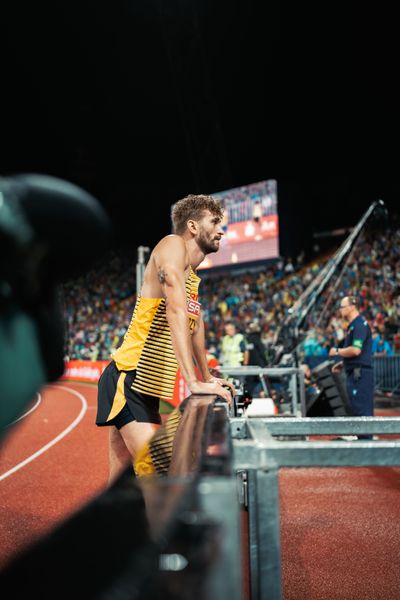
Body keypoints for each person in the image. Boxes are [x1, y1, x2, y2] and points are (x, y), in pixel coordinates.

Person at [96, 194, 235, 483]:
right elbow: (175, 307)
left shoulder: (193, 276)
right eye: (215, 222)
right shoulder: (172, 245)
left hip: (145, 386)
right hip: (129, 377)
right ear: (193, 226)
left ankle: (116, 527)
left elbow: (195, 326)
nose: (222, 229)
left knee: (122, 478)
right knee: (161, 471)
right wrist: (192, 381)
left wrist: (206, 376)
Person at [328, 295, 374, 439]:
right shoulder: (354, 325)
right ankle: (363, 444)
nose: (340, 310)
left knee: (362, 411)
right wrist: (343, 363)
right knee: (357, 408)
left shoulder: (359, 325)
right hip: (355, 372)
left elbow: (356, 350)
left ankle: (366, 448)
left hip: (359, 375)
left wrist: (337, 351)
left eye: (342, 306)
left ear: (352, 307)